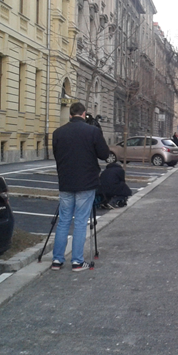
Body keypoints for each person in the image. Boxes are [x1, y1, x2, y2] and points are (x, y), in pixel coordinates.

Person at [51, 102, 110, 272]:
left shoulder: (58, 133)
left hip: (66, 181)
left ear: (70, 115)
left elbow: (56, 155)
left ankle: (57, 260)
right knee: (80, 222)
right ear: (84, 114)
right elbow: (104, 154)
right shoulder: (92, 131)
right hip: (86, 182)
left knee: (64, 220)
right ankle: (77, 261)